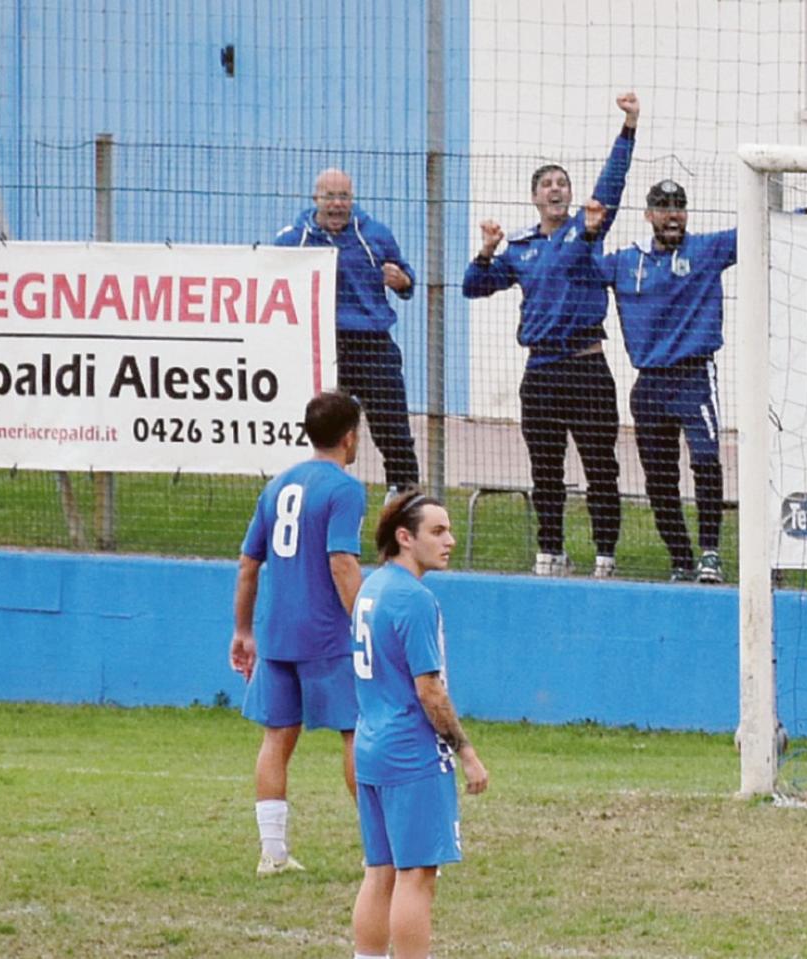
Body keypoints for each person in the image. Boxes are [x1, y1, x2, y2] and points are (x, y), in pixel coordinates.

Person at [588, 179, 807, 582]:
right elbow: (577, 267)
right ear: (648, 215)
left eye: (679, 205)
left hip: (695, 377)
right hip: (648, 384)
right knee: (659, 477)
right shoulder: (627, 261)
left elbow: (761, 230)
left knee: (705, 462)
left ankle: (710, 554)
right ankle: (680, 558)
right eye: (663, 207)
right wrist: (589, 231)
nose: (672, 214)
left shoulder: (705, 250)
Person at [462, 92, 640, 578]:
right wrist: (486, 250)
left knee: (601, 467)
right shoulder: (521, 248)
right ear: (535, 196)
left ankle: (605, 553)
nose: (557, 189)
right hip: (540, 371)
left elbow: (612, 184)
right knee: (546, 470)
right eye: (547, 184)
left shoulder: (586, 231)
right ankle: (550, 551)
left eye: (563, 182)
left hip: (586, 366)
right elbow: (473, 287)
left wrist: (628, 127)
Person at [229, 389, 367, 876]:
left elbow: (249, 565)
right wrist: (367, 619)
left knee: (277, 738)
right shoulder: (345, 489)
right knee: (356, 732)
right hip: (328, 634)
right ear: (350, 437)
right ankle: (382, 848)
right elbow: (341, 562)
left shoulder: (278, 485)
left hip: (278, 631)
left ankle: (273, 852)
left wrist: (244, 629)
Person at [350, 491, 489, 959]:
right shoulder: (414, 599)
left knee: (381, 871)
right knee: (416, 877)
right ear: (404, 538)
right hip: (411, 751)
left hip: (371, 745)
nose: (450, 540)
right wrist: (467, 752)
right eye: (437, 531)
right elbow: (429, 690)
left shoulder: (372, 588)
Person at [275, 169, 420, 494]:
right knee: (317, 428)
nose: (338, 205)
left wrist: (402, 281)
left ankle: (404, 504)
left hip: (372, 345)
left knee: (393, 430)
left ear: (352, 199)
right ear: (316, 199)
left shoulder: (375, 234)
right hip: (320, 345)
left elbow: (407, 278)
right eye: (330, 197)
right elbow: (270, 280)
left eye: (344, 197)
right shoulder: (293, 238)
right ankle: (308, 493)